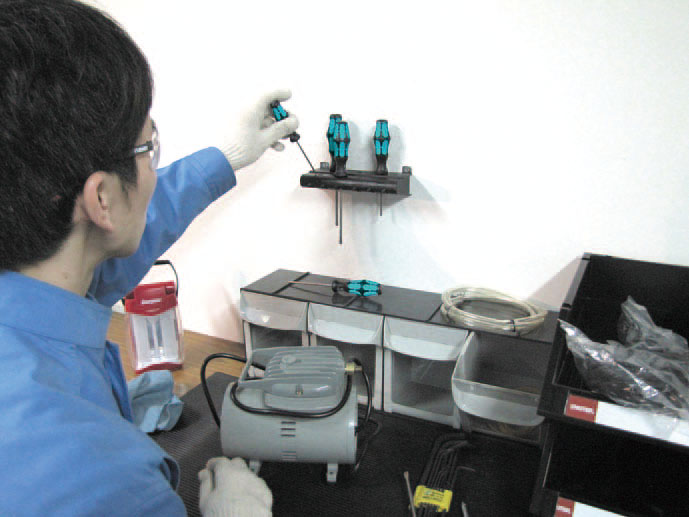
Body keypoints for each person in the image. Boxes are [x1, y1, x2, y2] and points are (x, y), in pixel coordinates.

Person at [0, 1, 297, 515]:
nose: (153, 173)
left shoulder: (40, 270)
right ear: (102, 199)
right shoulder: (105, 481)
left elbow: (116, 232)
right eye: (148, 148)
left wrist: (226, 158)